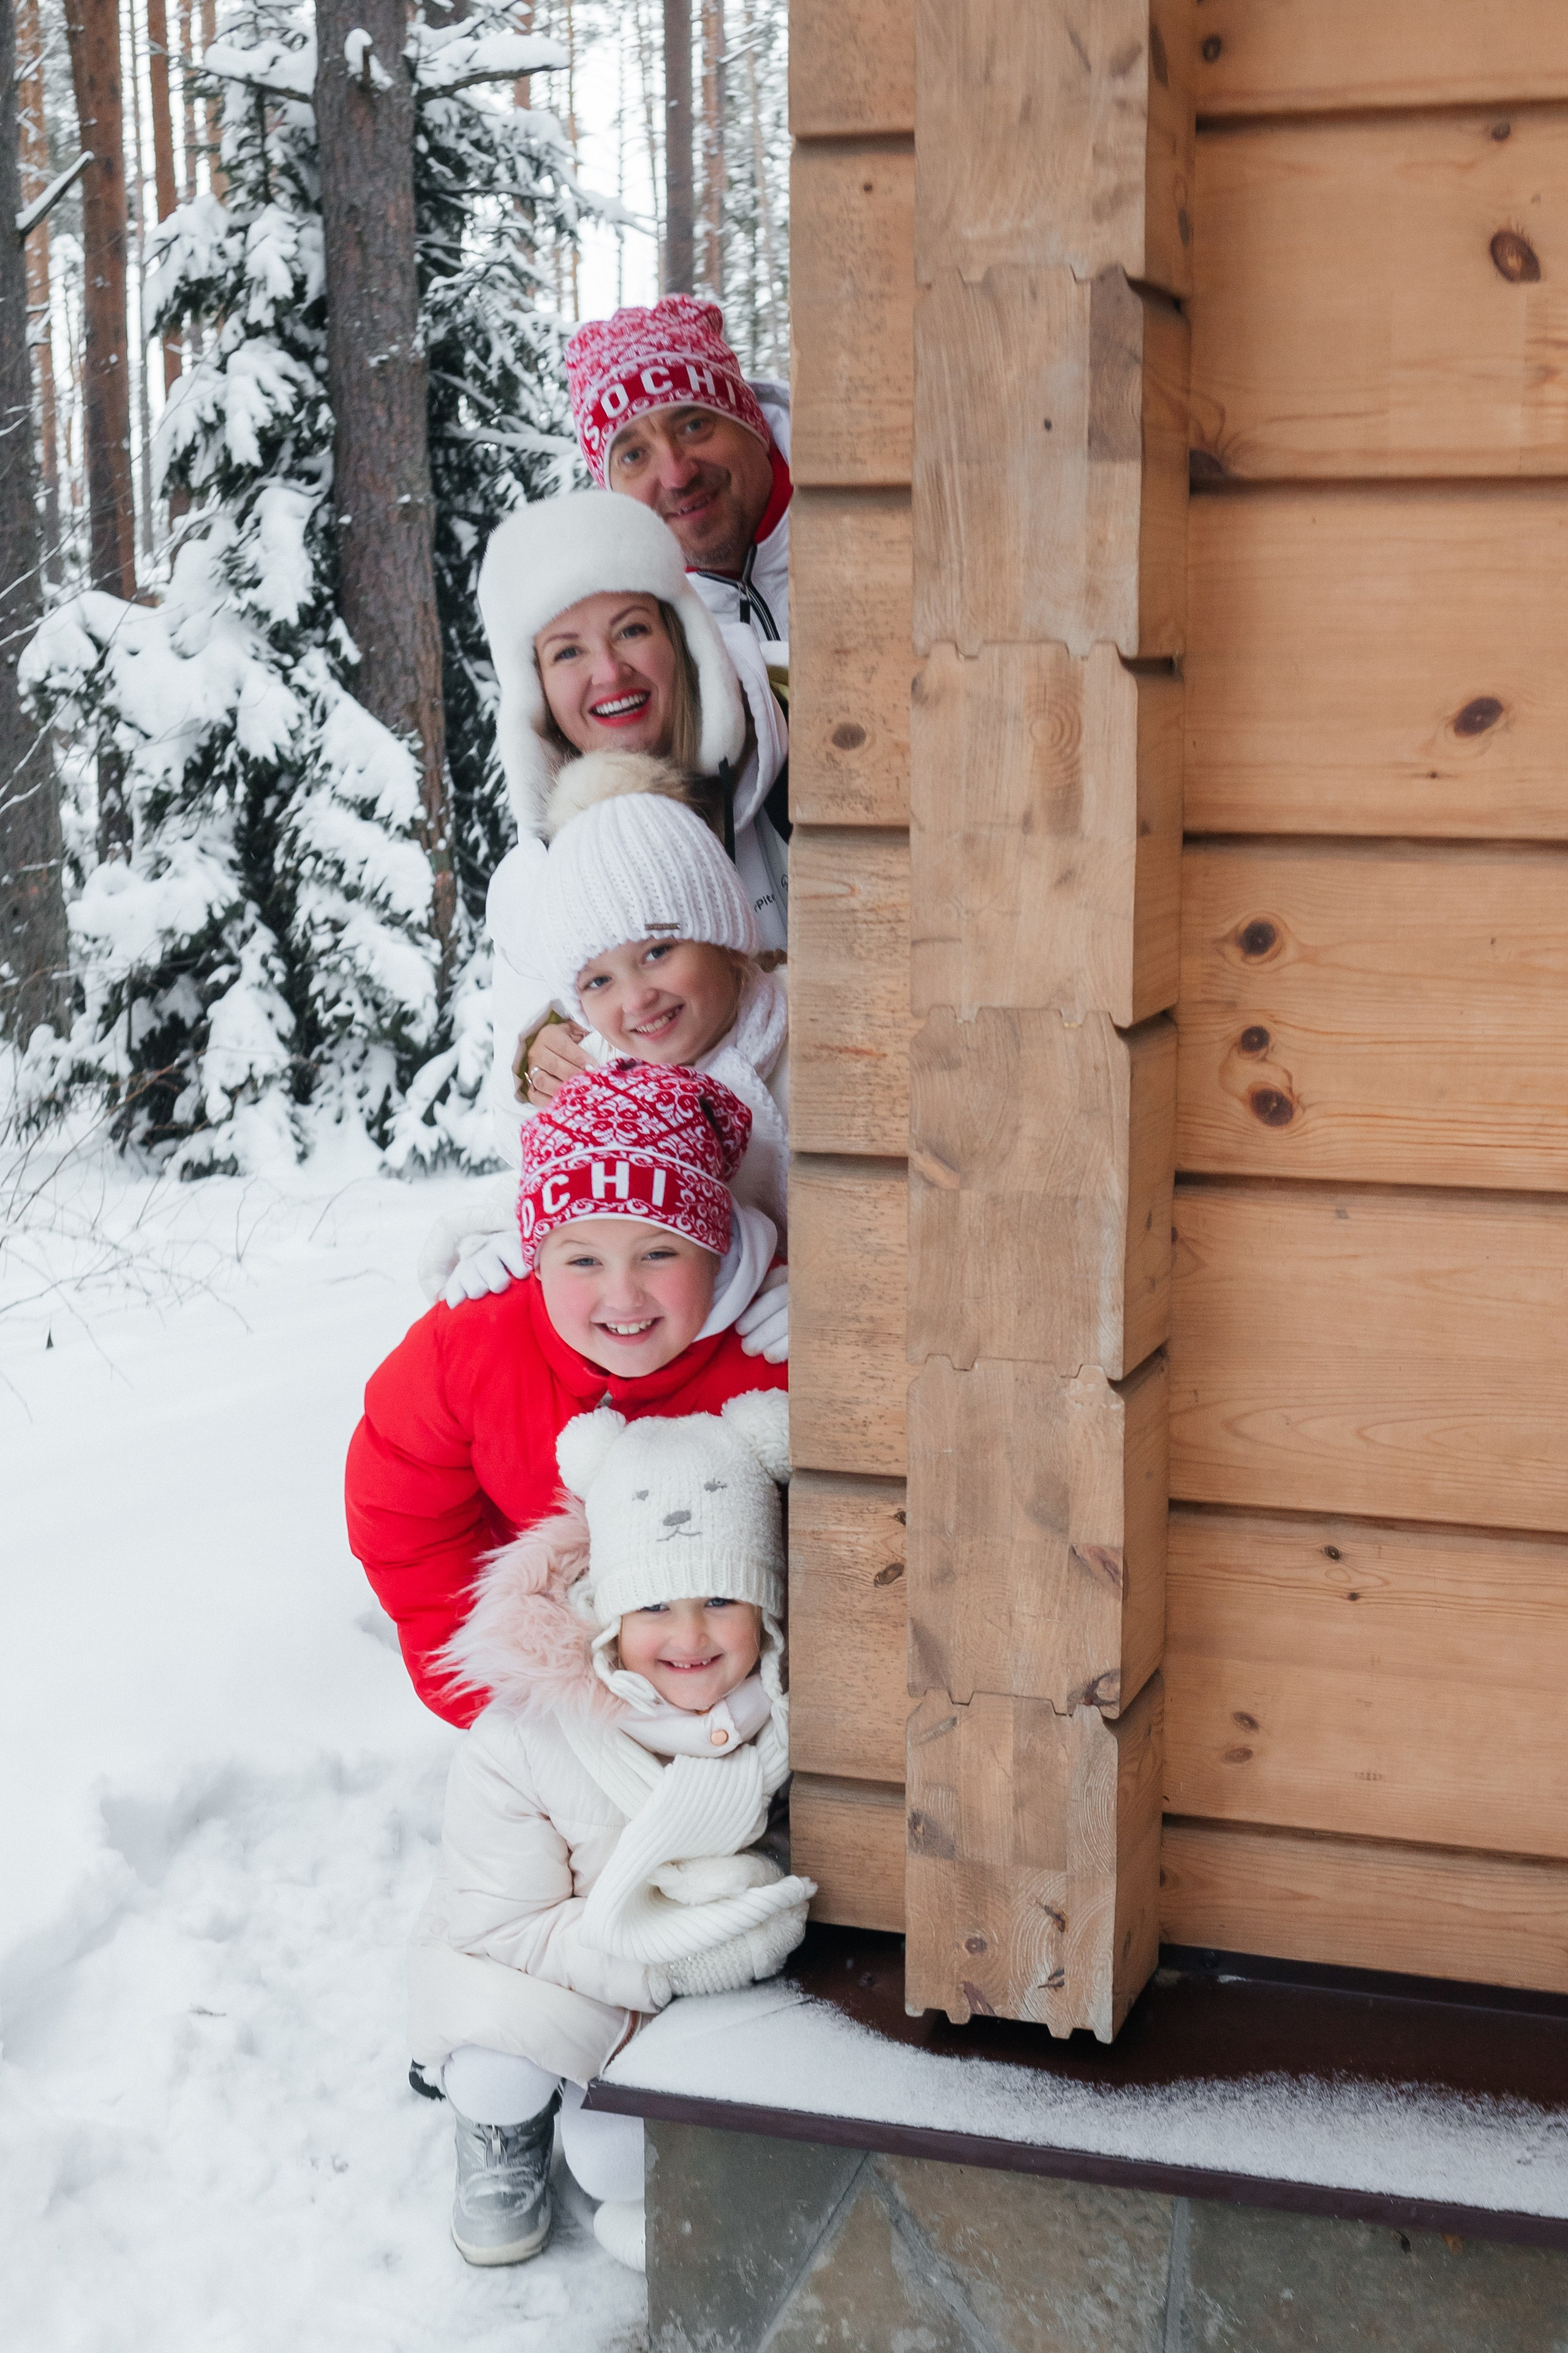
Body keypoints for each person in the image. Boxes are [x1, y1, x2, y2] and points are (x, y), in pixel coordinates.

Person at [409, 1391, 811, 2275]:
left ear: (769, 1608)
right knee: (498, 2064)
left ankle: (602, 2126)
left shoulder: (786, 1722)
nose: (692, 1636)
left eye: (721, 1597)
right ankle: (496, 2127)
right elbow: (505, 1927)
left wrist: (730, 1918)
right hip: (538, 1957)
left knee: (620, 2163)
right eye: (655, 1608)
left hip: (679, 1987)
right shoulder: (526, 1735)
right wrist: (667, 1957)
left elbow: (787, 1874)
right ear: (609, 1616)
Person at [345, 1060, 788, 1722]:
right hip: (549, 1689)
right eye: (582, 1259)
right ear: (535, 1257)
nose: (622, 1296)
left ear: (715, 1250)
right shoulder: (473, 1342)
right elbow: (402, 1516)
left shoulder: (772, 1347)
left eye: (660, 1253)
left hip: (747, 1690)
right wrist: (495, 1694)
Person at [472, 489, 790, 1163]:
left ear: (680, 636)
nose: (609, 672)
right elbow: (516, 1143)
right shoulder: (534, 879)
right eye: (566, 653)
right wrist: (534, 1063)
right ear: (535, 693)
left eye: (632, 630)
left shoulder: (793, 765)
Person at [424, 753, 790, 1326]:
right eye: (599, 980)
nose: (636, 998)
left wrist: (830, 1286)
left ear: (720, 933)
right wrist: (500, 1239)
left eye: (658, 952)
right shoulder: (601, 1087)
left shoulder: (808, 1037)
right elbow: (563, 1196)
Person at [565, 295, 790, 648]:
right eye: (634, 456)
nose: (677, 476)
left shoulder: (876, 520)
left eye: (694, 426)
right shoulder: (640, 641)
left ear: (754, 425)